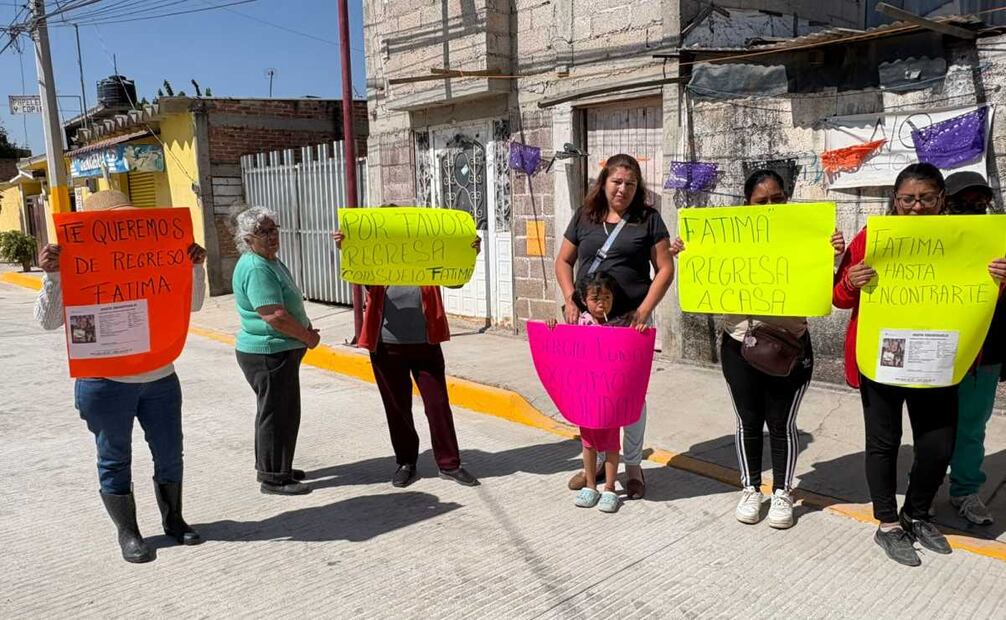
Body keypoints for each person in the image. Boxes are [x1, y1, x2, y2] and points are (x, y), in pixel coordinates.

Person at [834, 163, 1006, 566]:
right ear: (895, 200)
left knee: (937, 444)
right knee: (884, 441)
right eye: (908, 199)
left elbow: (982, 301)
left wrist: (999, 279)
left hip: (937, 357)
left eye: (926, 198)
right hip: (883, 357)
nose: (916, 206)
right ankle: (887, 523)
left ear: (941, 199)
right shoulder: (873, 236)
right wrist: (851, 281)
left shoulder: (967, 238)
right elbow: (839, 297)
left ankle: (917, 513)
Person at [35, 190, 206, 563]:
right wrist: (52, 276)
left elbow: (192, 305)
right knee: (114, 458)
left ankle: (174, 519)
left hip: (160, 378)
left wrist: (194, 267)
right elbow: (48, 321)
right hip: (104, 383)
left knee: (169, 452)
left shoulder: (153, 256)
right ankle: (128, 532)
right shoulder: (73, 262)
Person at [670, 170, 845, 529]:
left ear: (787, 199)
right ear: (747, 204)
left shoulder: (807, 235)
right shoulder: (731, 237)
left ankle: (782, 491)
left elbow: (826, 284)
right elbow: (707, 266)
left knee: (782, 424)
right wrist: (689, 252)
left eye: (777, 198)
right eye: (761, 200)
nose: (770, 206)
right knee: (748, 422)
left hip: (789, 347)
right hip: (739, 343)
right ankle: (750, 487)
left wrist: (835, 253)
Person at [556, 153, 676, 500]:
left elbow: (665, 269)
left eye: (631, 184)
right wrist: (570, 298)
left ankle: (633, 466)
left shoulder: (648, 220)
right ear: (604, 182)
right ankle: (594, 466)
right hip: (588, 323)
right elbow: (563, 260)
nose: (623, 189)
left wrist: (645, 310)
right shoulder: (584, 216)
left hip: (629, 324)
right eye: (617, 182)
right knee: (591, 394)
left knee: (630, 396)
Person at [331, 226, 481, 488]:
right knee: (397, 408)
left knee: (438, 405)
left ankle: (450, 463)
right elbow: (357, 274)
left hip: (426, 343)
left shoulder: (427, 255)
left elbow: (454, 280)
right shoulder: (375, 259)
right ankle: (406, 462)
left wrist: (469, 253)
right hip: (386, 345)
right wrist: (347, 247)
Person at [232, 206, 320, 496]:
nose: (271, 236)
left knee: (280, 412)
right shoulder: (257, 267)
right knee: (277, 414)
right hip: (268, 352)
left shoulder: (267, 260)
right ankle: (273, 478)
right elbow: (275, 316)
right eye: (263, 232)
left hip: (277, 350)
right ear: (248, 239)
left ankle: (277, 467)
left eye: (273, 229)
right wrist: (307, 336)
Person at [943, 171, 1004, 525]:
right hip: (934, 350)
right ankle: (923, 488)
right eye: (962, 203)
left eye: (980, 203)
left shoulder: (1001, 241)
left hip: (984, 353)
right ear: (944, 205)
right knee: (930, 427)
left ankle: (965, 490)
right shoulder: (926, 238)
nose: (973, 209)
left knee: (971, 427)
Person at [547, 271, 632, 513]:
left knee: (612, 444)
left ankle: (610, 488)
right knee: (588, 443)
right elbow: (563, 345)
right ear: (584, 300)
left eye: (606, 298)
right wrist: (552, 328)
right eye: (595, 299)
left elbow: (631, 347)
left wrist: (639, 330)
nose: (601, 304)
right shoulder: (578, 324)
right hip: (586, 395)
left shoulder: (620, 324)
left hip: (611, 396)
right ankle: (591, 485)